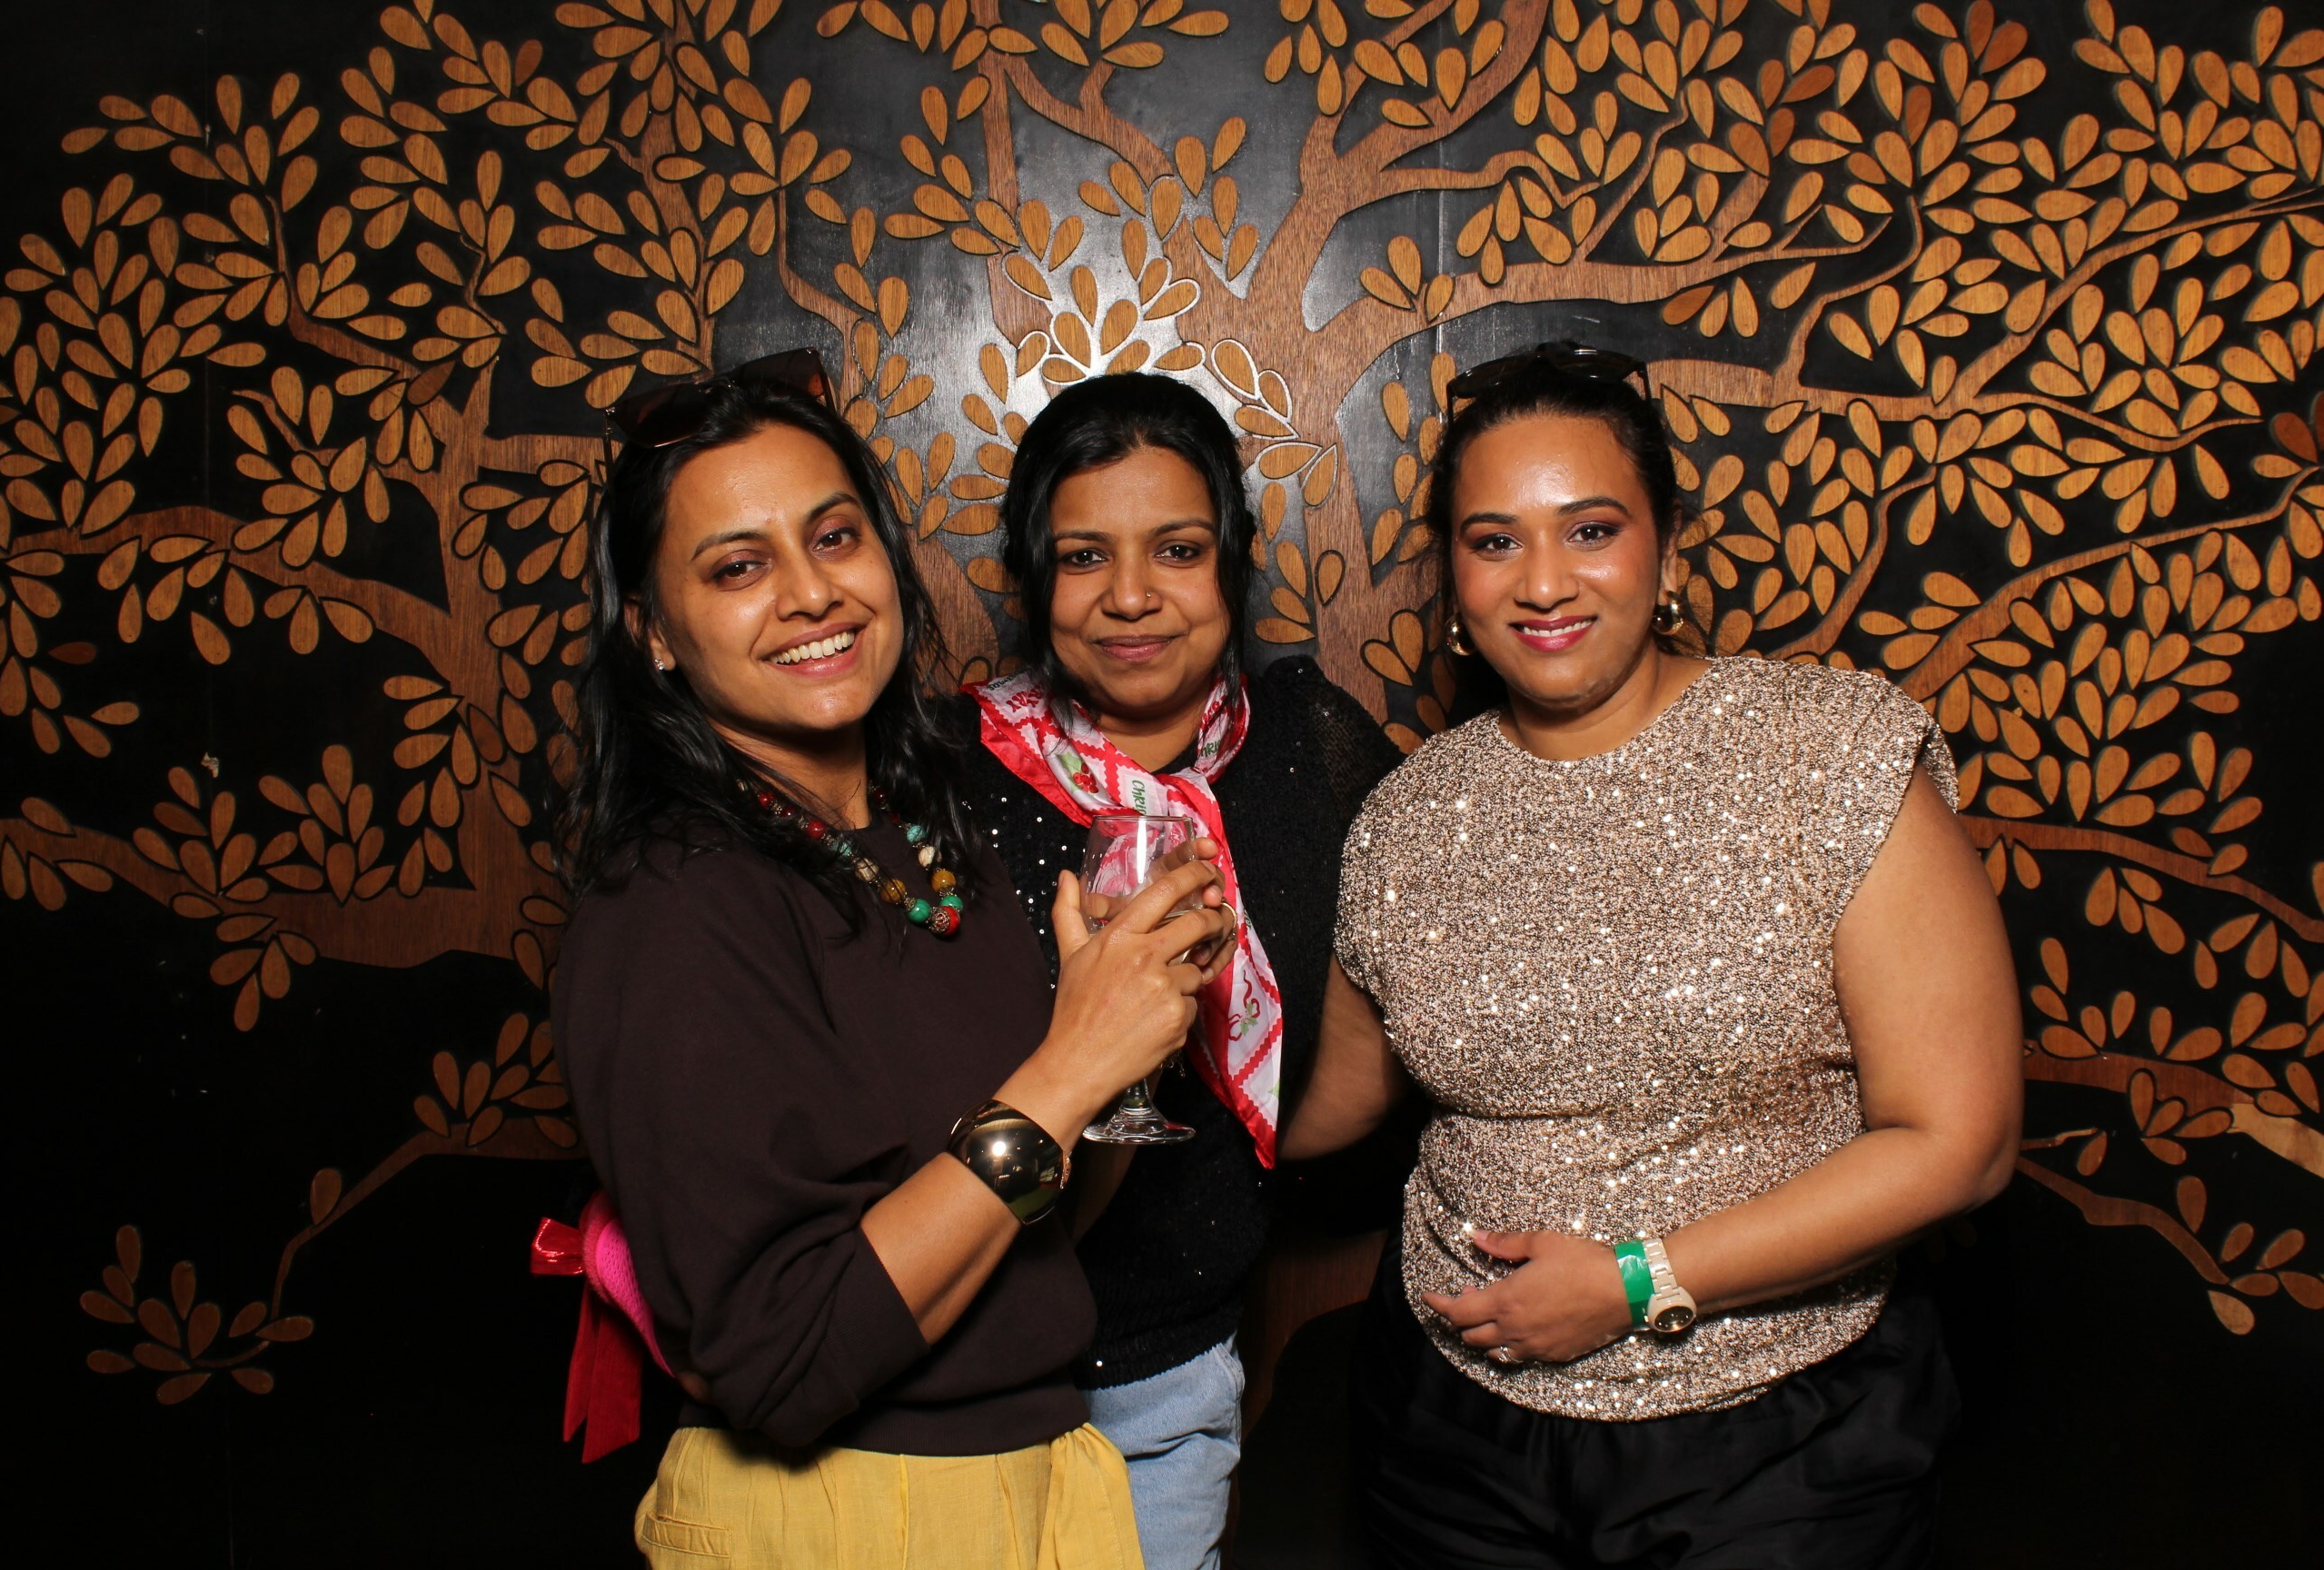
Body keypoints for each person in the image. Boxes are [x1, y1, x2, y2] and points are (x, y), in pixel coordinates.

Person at [1283, 343, 2023, 1568]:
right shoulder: (1405, 820)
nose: (1543, 582)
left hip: (1779, 1432)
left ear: (1669, 551)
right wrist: (1151, 1053)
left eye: (1591, 530)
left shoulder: (1828, 756)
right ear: (1455, 579)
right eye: (1494, 540)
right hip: (1451, 1428)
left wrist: (1636, 1280)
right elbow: (1340, 1101)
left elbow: (1960, 1141)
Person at [550, 351, 1239, 1570]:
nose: (811, 593)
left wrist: (1131, 1042)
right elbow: (782, 1358)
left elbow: (1025, 1231)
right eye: (738, 567)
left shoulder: (929, 844)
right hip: (849, 1516)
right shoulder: (674, 905)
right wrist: (1068, 1069)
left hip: (1042, 1483)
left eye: (834, 537)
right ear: (653, 630)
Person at [958, 373, 1402, 1569]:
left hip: (1170, 1374)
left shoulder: (1306, 747)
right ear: (1033, 576)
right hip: (953, 1376)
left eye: (1178, 549)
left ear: (1233, 564)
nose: (1132, 595)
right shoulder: (944, 776)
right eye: (1083, 556)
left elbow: (1358, 1052)